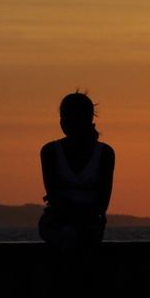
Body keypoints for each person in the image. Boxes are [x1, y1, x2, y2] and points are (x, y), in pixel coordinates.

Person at [39, 91, 115, 247]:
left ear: (87, 118)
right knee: (69, 234)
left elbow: (102, 201)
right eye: (63, 116)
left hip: (91, 221)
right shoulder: (49, 151)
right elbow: (55, 196)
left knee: (72, 235)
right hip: (56, 219)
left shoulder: (105, 153)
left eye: (72, 116)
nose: (66, 121)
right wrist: (78, 223)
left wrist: (81, 222)